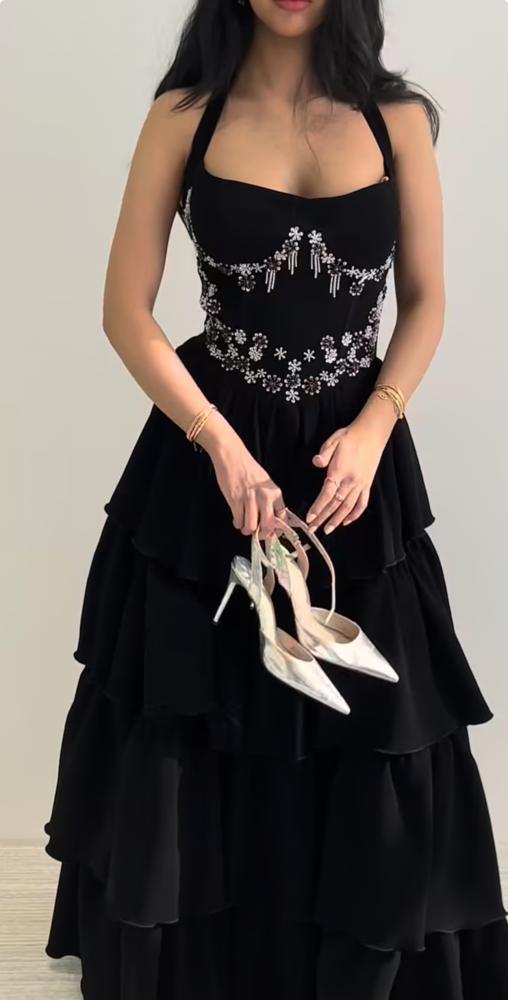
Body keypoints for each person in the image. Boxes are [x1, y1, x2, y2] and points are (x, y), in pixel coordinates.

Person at [44, 1, 508, 997]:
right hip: (207, 461)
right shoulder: (186, 114)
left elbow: (426, 299)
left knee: (373, 714)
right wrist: (215, 440)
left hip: (353, 470)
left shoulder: (397, 120)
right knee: (193, 710)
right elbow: (125, 310)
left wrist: (376, 427)